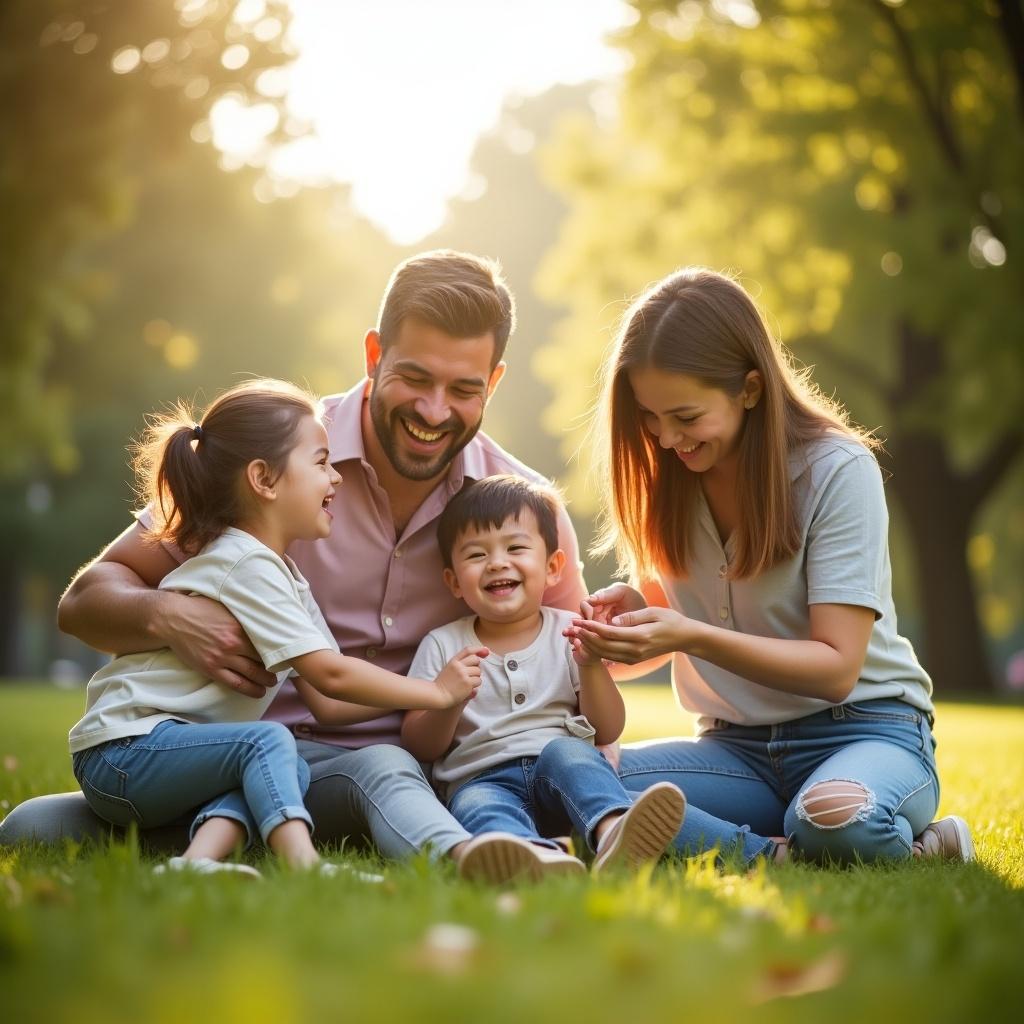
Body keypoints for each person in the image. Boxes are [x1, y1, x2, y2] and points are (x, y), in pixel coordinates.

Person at [1, 250, 587, 867]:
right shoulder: (279, 457)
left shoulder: (519, 512)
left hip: (385, 774)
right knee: (27, 830)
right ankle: (229, 832)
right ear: (373, 355)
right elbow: (85, 602)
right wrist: (166, 615)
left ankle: (451, 851)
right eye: (415, 379)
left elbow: (567, 670)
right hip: (228, 755)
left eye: (464, 389)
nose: (434, 411)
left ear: (492, 383)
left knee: (383, 767)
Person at [565, 267, 974, 866]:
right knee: (572, 782)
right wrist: (627, 628)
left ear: (750, 389)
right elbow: (670, 629)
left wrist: (693, 635)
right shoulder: (672, 480)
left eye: (685, 416)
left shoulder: (836, 470)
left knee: (836, 824)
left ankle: (919, 846)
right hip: (735, 750)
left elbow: (836, 667)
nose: (665, 438)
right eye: (649, 418)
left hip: (859, 728)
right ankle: (772, 857)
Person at [69, 379, 484, 876]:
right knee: (268, 742)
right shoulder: (244, 562)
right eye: (320, 463)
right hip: (124, 751)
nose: (336, 479)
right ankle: (304, 864)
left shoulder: (284, 575)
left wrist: (436, 693)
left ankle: (194, 864)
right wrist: (432, 692)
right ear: (264, 479)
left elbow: (328, 702)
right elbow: (330, 675)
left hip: (159, 753)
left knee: (269, 760)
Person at [402, 476, 685, 883]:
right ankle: (536, 856)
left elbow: (608, 728)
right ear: (453, 582)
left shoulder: (570, 630)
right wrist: (450, 699)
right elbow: (420, 745)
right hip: (482, 777)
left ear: (553, 568)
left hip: (559, 772)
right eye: (477, 554)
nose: (497, 563)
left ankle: (613, 833)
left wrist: (590, 667)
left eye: (515, 548)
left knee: (571, 755)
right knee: (478, 804)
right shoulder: (443, 645)